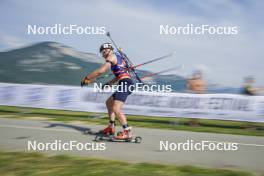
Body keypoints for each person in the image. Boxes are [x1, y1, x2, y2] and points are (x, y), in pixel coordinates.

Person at [81, 43, 134, 140]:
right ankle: (111, 127)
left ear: (110, 50)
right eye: (102, 53)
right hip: (125, 82)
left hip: (125, 83)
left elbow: (101, 71)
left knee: (116, 108)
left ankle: (127, 132)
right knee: (109, 102)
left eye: (105, 51)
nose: (103, 54)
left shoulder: (112, 57)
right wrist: (108, 84)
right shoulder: (119, 57)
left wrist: (87, 78)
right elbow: (119, 76)